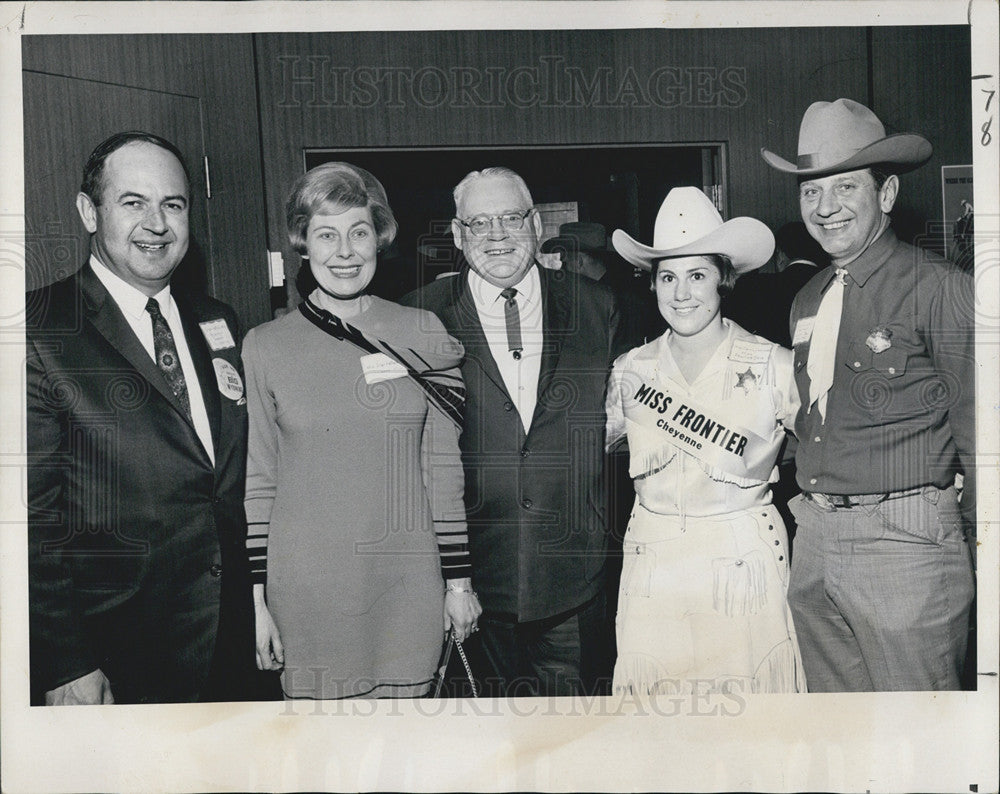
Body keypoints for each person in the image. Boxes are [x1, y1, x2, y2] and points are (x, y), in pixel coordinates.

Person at [26, 131, 259, 704]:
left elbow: (225, 482)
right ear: (89, 211)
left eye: (173, 205)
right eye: (133, 202)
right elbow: (27, 517)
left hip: (230, 639)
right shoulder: (37, 329)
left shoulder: (218, 320)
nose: (157, 224)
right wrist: (64, 662)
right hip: (115, 653)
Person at [243, 162, 480, 700]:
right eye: (326, 235)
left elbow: (442, 471)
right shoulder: (264, 345)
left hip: (407, 588)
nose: (344, 251)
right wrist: (256, 602)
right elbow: (261, 482)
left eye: (359, 232)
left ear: (380, 239)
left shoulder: (422, 332)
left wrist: (459, 583)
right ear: (303, 243)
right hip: (305, 597)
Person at [762, 98, 976, 691]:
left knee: (920, 746)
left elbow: (985, 429)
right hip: (815, 541)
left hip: (904, 543)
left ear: (886, 195)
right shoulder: (807, 297)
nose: (825, 207)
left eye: (844, 187)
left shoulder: (939, 288)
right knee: (844, 743)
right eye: (811, 190)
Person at [400, 167, 623, 696]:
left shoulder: (596, 306)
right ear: (457, 235)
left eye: (509, 219)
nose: (496, 236)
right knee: (484, 759)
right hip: (467, 585)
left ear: (536, 223)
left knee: (578, 752)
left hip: (575, 578)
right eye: (478, 223)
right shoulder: (417, 316)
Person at [606, 187, 805, 695]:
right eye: (667, 277)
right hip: (657, 563)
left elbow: (823, 454)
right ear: (651, 285)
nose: (681, 294)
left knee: (752, 724)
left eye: (697, 275)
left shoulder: (773, 365)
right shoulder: (630, 371)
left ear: (724, 279)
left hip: (743, 558)